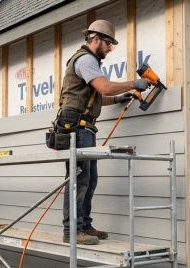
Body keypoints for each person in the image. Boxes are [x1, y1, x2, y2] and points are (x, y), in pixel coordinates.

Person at [57, 20, 150, 245]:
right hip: (76, 128)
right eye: (108, 43)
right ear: (95, 39)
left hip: (85, 127)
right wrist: (134, 83)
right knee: (79, 179)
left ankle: (85, 225)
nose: (110, 49)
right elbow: (104, 87)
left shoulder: (90, 61)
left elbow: (97, 97)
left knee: (90, 178)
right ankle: (72, 231)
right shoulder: (86, 59)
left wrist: (117, 99)